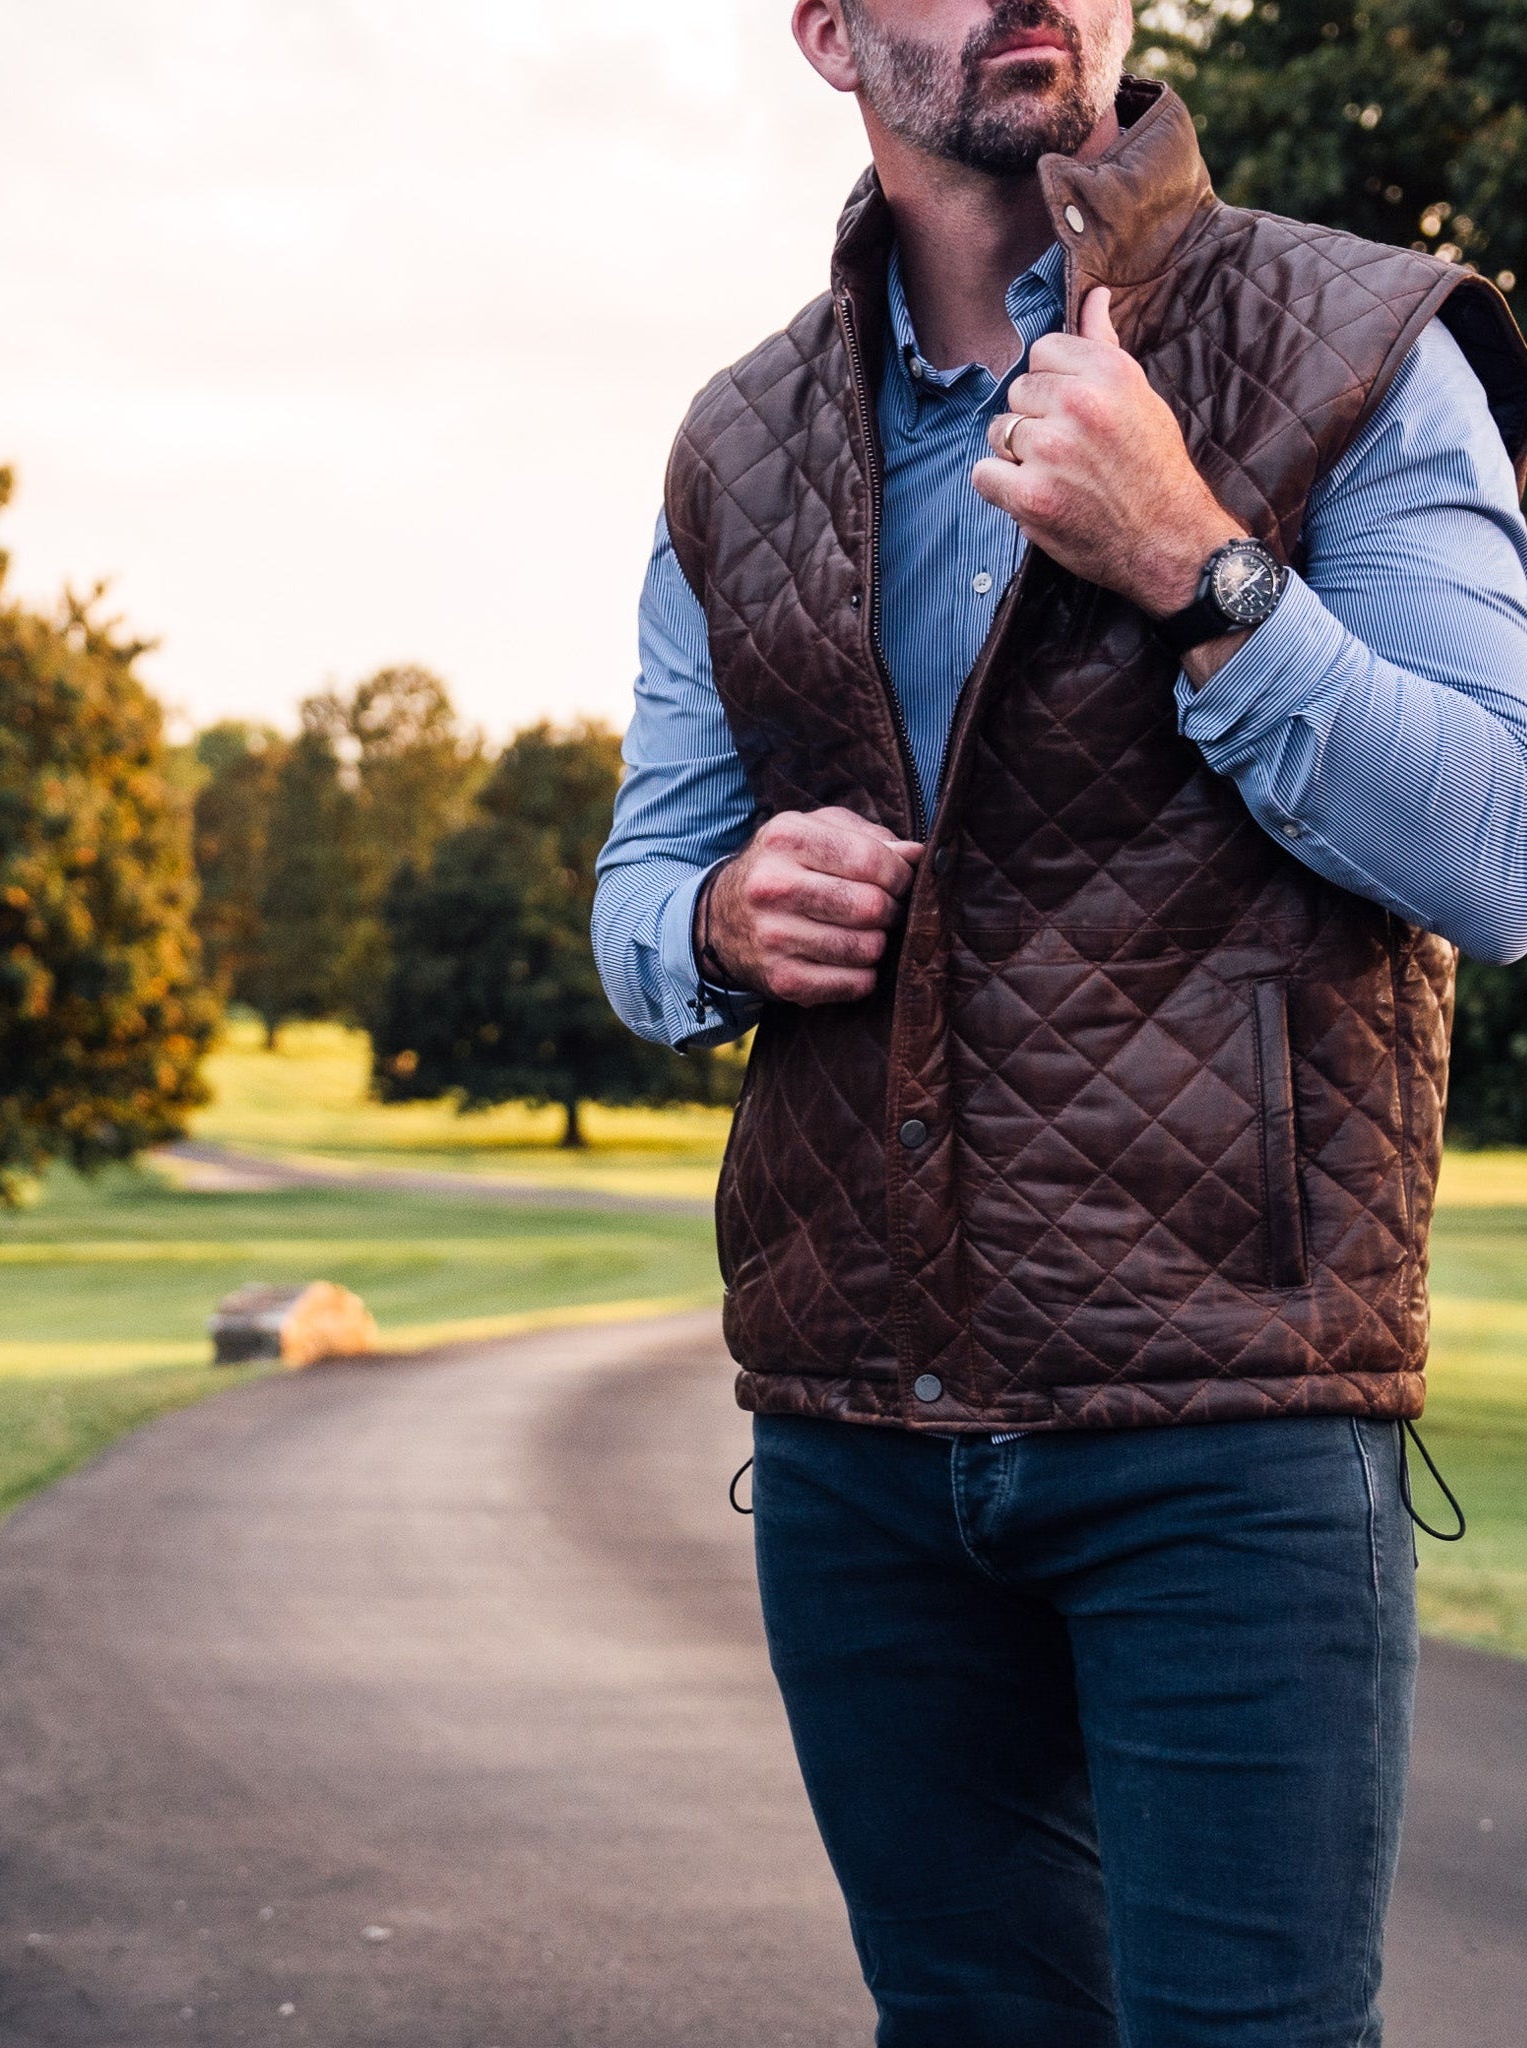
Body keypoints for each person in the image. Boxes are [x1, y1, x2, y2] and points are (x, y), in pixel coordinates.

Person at [593, 4, 1527, 2042]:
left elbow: (1505, 846)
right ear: (828, 32)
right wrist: (730, 916)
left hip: (1232, 1417)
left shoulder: (1364, 339)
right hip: (854, 1435)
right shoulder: (735, 442)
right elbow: (638, 894)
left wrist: (1199, 562)